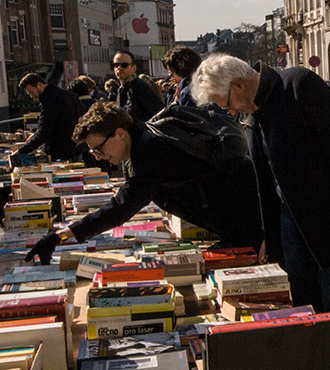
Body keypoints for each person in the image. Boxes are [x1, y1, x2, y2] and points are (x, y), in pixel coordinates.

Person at [190, 54, 330, 313]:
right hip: (290, 226)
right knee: (304, 302)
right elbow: (265, 181)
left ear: (238, 84)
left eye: (226, 102)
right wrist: (268, 236)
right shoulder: (253, 113)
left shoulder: (299, 85)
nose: (230, 111)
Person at [25, 101, 263, 263]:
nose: (98, 157)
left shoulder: (150, 151)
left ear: (119, 133)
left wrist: (61, 235)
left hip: (246, 218)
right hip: (236, 214)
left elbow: (122, 207)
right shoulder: (142, 141)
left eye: (99, 149)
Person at [11, 66, 85, 164]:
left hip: (60, 151)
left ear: (39, 85)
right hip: (77, 148)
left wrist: (21, 151)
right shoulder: (69, 95)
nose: (31, 96)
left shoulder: (49, 101)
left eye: (31, 92)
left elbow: (43, 133)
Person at [111, 49, 164, 121]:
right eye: (116, 65)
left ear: (134, 68)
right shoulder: (121, 89)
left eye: (124, 65)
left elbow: (158, 113)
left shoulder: (139, 87)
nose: (119, 68)